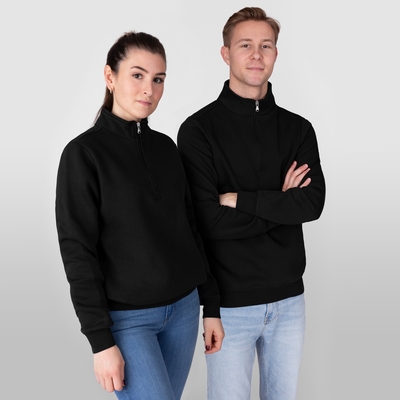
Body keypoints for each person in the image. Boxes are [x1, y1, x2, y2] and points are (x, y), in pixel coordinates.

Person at [55, 31, 224, 400]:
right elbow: (78, 252)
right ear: (110, 76)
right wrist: (101, 342)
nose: (149, 89)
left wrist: (210, 305)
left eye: (158, 79)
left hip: (183, 311)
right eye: (137, 75)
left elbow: (191, 229)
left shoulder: (166, 148)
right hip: (128, 321)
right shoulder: (83, 155)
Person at [177, 7, 325, 400]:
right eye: (245, 45)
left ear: (276, 53)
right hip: (229, 306)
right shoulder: (197, 131)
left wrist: (239, 200)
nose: (257, 54)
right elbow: (208, 221)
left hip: (290, 302)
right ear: (226, 54)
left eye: (266, 46)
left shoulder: (298, 129)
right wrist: (282, 204)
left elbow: (312, 204)